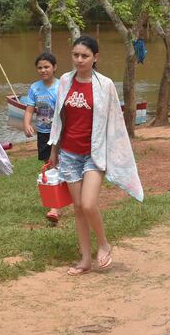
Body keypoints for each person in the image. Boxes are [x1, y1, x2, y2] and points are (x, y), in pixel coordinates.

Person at [48, 35, 144, 276]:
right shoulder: (64, 82)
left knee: (89, 203)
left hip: (95, 152)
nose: (79, 60)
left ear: (95, 58)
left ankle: (103, 243)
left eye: (85, 56)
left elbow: (115, 122)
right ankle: (85, 259)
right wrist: (54, 150)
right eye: (75, 55)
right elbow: (58, 119)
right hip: (69, 153)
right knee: (78, 207)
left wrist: (117, 153)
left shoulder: (105, 85)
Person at [24, 52, 62, 224]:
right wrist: (26, 124)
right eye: (39, 67)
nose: (43, 70)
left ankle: (59, 204)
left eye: (46, 66)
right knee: (49, 165)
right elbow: (30, 109)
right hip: (43, 132)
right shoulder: (34, 88)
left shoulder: (62, 86)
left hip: (61, 131)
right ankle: (55, 205)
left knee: (61, 164)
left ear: (54, 67)